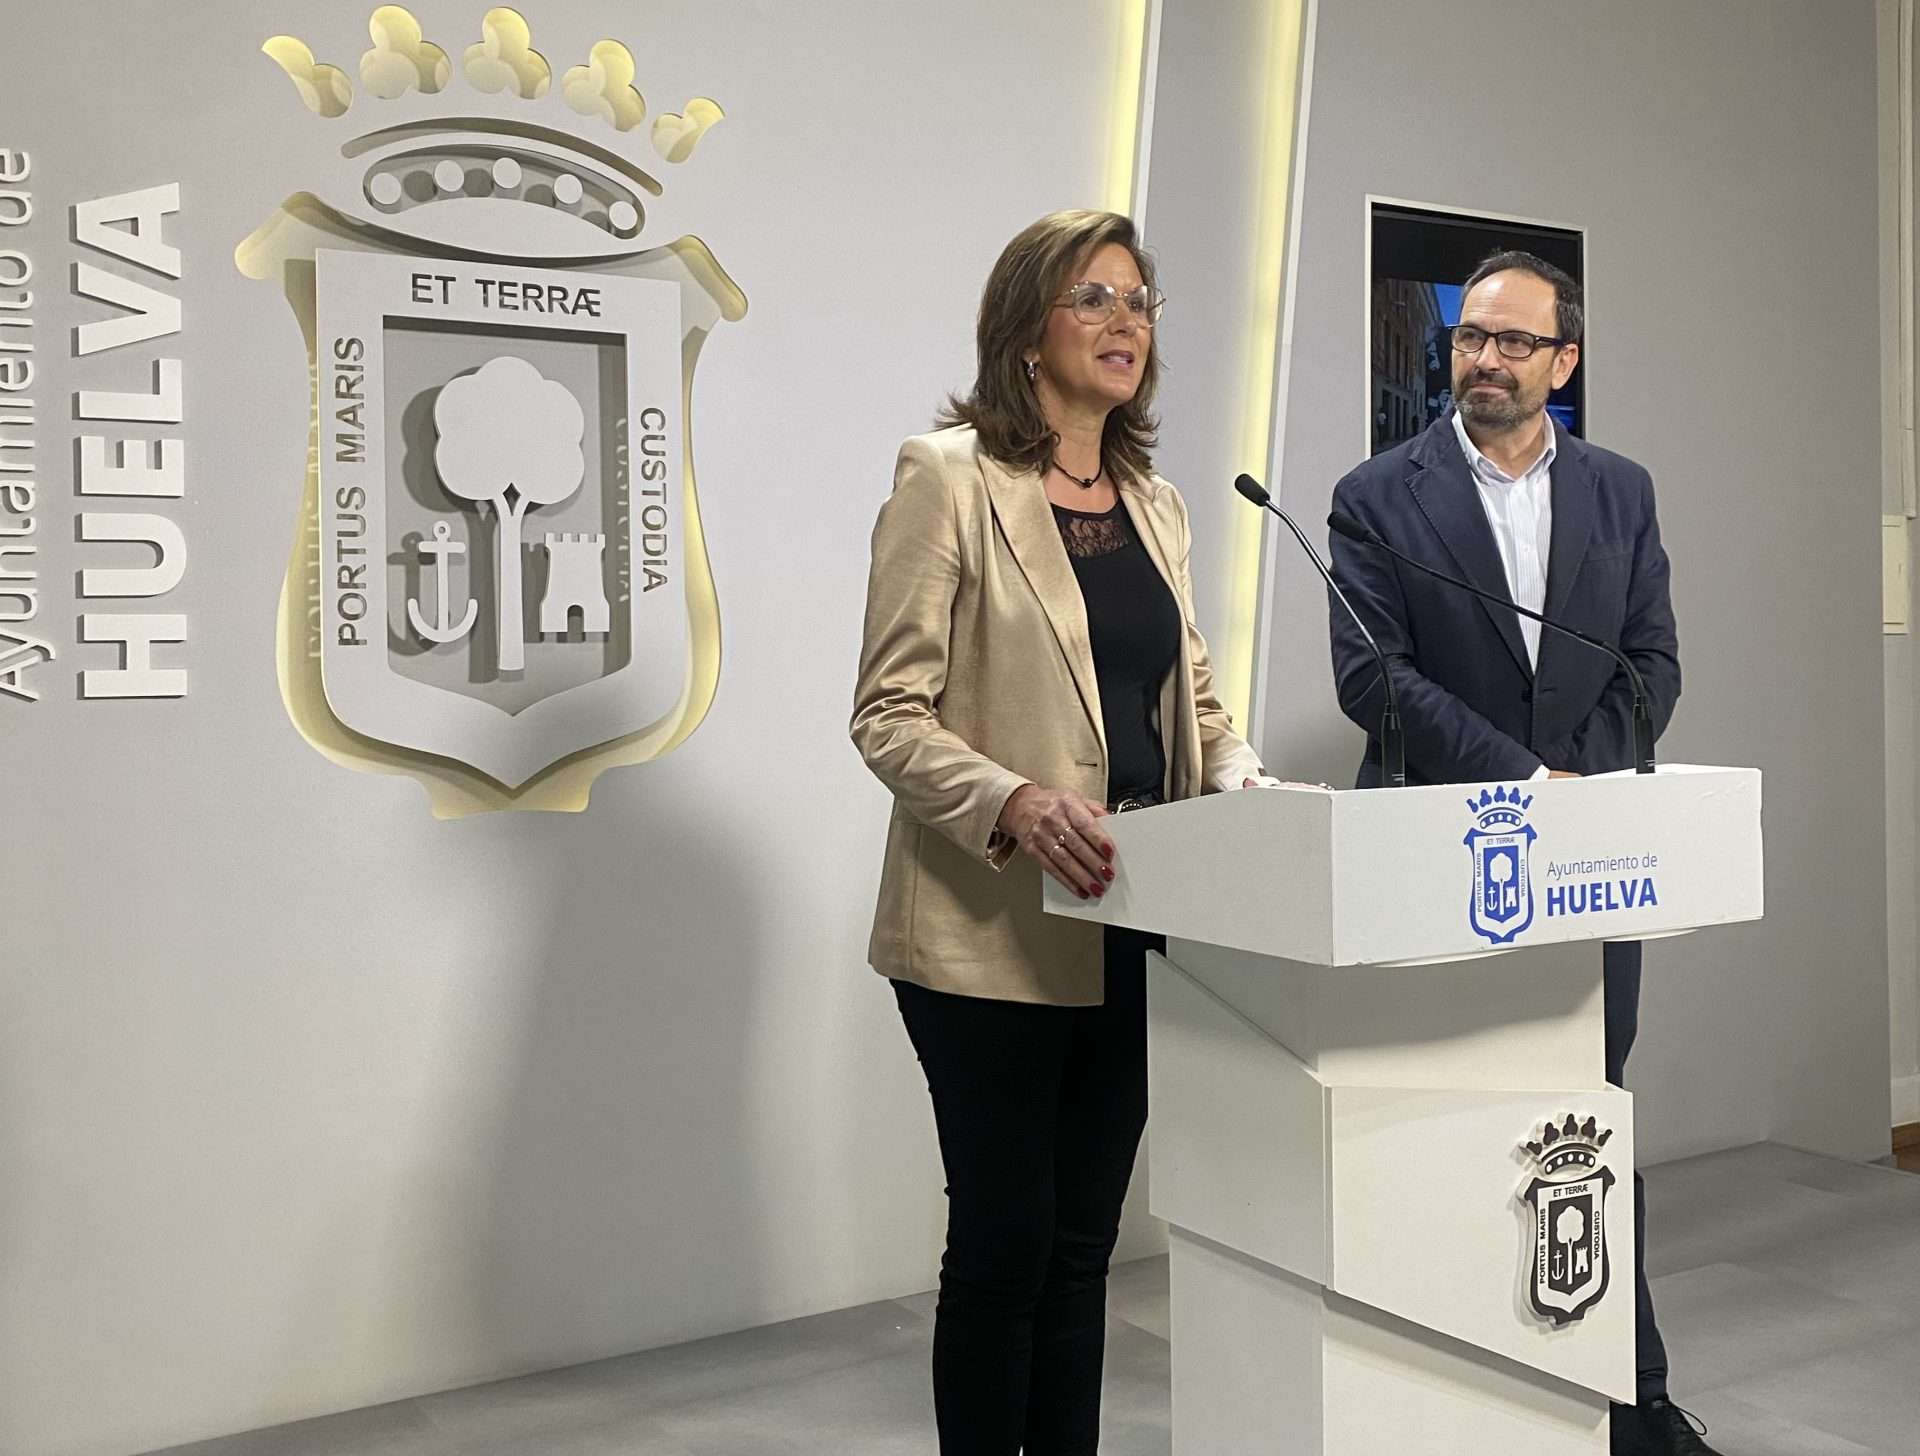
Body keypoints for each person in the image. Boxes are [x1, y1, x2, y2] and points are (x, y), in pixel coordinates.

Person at [850, 209, 1269, 1455]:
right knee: (1005, 1242)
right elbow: (888, 713)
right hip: (986, 934)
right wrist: (1015, 802)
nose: (1124, 321)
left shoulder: (1157, 503)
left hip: (1132, 920)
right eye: (1093, 297)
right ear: (1026, 330)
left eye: (1139, 301)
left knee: (1085, 1246)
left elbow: (1193, 700)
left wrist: (1245, 781)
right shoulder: (948, 479)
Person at [1326, 250, 1714, 1456]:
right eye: (1470, 337)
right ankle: (1460, 1411)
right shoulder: (1375, 496)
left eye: (1513, 341)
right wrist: (1523, 783)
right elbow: (1373, 680)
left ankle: (1632, 1404)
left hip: (1589, 865)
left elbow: (1653, 664)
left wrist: (1576, 784)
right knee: (1444, 1136)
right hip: (1441, 865)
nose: (1484, 359)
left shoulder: (1620, 491)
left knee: (1590, 1124)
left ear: (1564, 361)